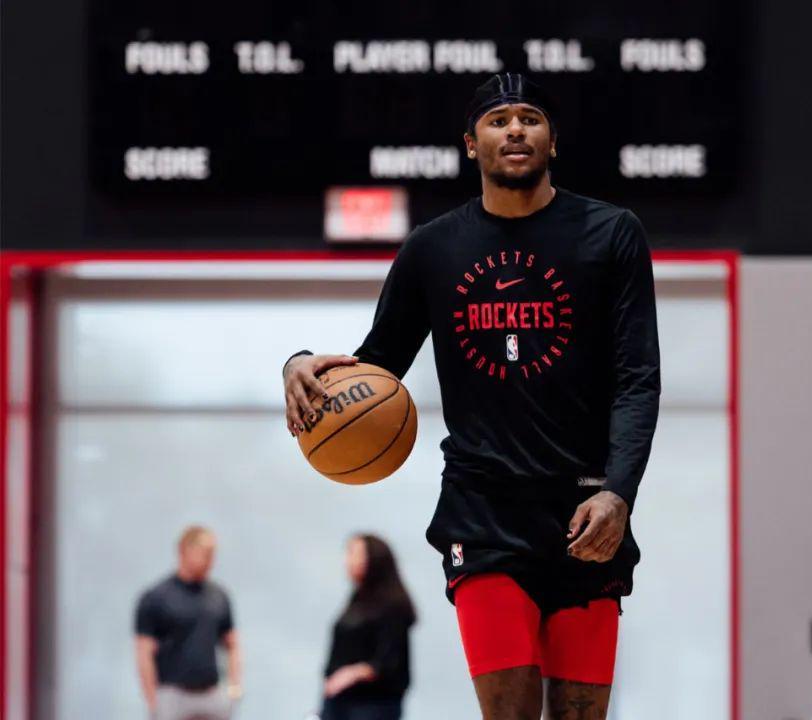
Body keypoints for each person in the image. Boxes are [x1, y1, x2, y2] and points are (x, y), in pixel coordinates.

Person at [283, 73, 661, 719]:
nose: (515, 130)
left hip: (585, 509)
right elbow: (376, 369)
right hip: (484, 513)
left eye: (530, 118)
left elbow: (638, 379)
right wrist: (298, 363)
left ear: (552, 141)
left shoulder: (612, 234)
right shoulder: (432, 248)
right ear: (470, 143)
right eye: (498, 120)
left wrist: (618, 492)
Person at [134, 526, 243, 720]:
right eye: (205, 553)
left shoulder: (219, 596)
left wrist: (234, 688)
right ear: (183, 551)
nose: (210, 560)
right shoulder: (156, 598)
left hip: (211, 694)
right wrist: (153, 700)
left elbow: (232, 644)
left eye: (212, 554)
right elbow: (144, 652)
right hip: (173, 695)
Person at [320, 534, 416, 720]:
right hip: (339, 703)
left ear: (373, 558)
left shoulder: (392, 606)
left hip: (372, 705)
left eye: (353, 553)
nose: (347, 560)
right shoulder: (356, 600)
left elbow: (390, 663)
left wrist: (352, 674)